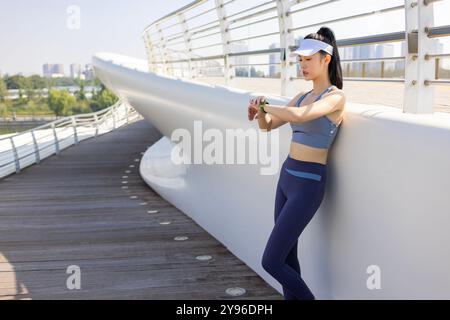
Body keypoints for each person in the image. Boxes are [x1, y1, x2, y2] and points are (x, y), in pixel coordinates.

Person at [247, 26, 346, 300]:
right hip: (287, 178)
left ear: (326, 59)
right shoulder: (301, 96)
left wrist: (267, 106)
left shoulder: (335, 97)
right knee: (288, 259)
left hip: (308, 184)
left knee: (271, 261)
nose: (302, 66)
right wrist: (260, 111)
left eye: (308, 60)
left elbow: (301, 116)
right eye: (300, 60)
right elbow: (268, 126)